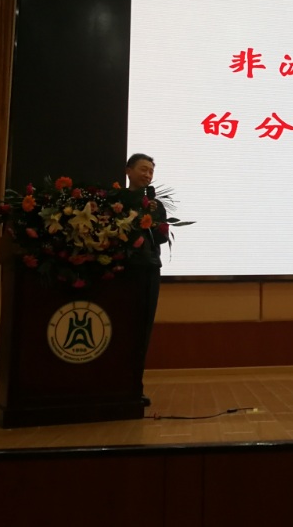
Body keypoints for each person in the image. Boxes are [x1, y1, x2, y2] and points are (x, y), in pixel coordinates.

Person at [122, 153, 169, 407]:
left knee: (142, 329)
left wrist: (154, 221)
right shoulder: (116, 200)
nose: (147, 175)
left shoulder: (155, 205)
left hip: (149, 268)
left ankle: (134, 387)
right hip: (124, 270)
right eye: (143, 169)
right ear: (128, 171)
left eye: (150, 171)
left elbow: (161, 238)